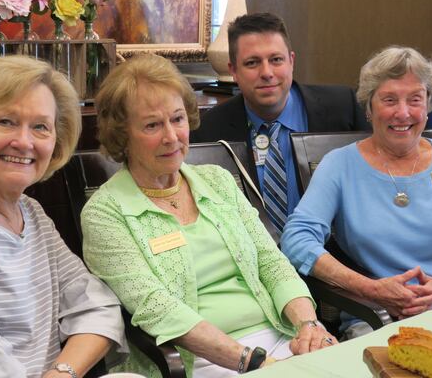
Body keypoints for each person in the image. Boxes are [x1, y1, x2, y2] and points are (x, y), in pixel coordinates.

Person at [81, 53, 338, 378]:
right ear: (122, 135)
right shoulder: (106, 213)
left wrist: (308, 326)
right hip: (198, 359)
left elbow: (270, 262)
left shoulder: (218, 181)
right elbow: (157, 308)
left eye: (177, 119)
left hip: (279, 337)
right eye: (151, 125)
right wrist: (255, 362)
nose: (171, 137)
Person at [0, 56, 126, 378]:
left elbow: (97, 306)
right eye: (5, 121)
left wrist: (62, 371)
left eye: (40, 127)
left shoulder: (31, 214)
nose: (24, 142)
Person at [281, 46, 432, 339]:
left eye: (415, 99)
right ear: (369, 108)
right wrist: (370, 289)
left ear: (429, 105)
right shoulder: (339, 165)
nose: (403, 112)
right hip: (377, 315)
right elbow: (297, 239)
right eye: (389, 99)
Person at [191, 12, 369, 234]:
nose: (266, 73)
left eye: (276, 60)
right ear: (234, 71)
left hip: (334, 252)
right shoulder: (208, 128)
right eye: (252, 63)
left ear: (291, 61)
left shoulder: (343, 108)